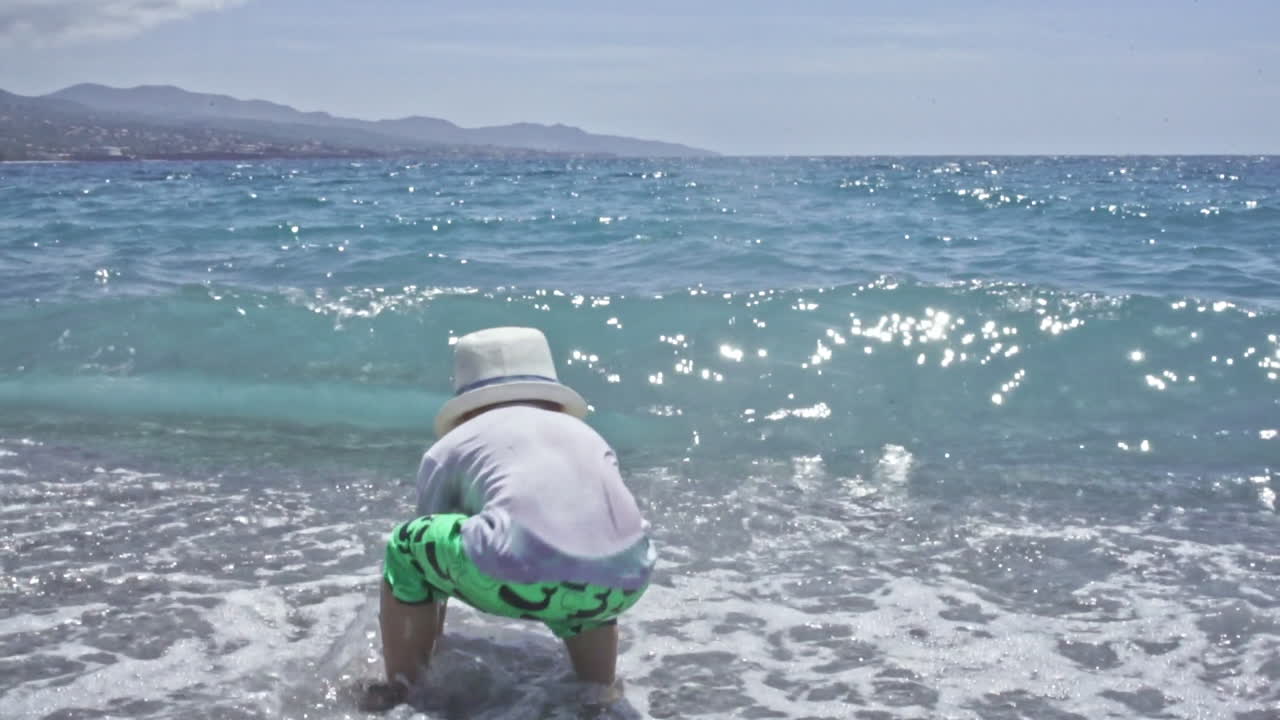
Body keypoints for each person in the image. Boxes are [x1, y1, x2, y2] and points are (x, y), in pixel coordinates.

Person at [359, 327, 656, 712]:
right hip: (627, 575)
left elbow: (429, 566)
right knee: (585, 556)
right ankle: (598, 690)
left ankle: (403, 687)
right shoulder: (588, 435)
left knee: (407, 546)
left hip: (517, 567)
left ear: (465, 403)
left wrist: (427, 633)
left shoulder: (453, 444)